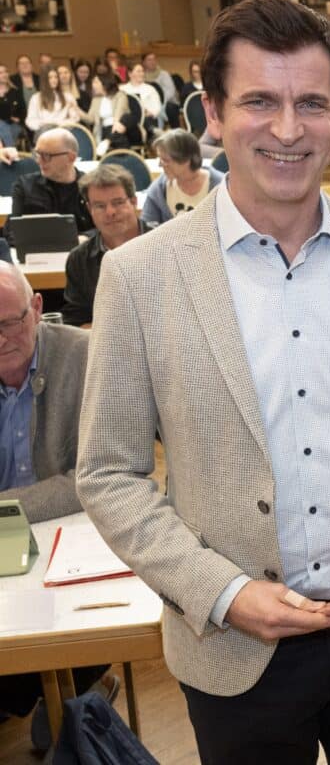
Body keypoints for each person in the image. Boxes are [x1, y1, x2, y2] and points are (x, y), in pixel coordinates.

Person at [75, 0, 330, 764]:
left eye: (311, 105)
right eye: (260, 101)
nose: (289, 130)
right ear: (214, 113)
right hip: (232, 647)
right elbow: (108, 471)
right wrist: (222, 592)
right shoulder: (138, 276)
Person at [0, 262, 119, 754]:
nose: (1, 339)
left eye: (10, 323)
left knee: (53, 732)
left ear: (37, 309)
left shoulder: (87, 356)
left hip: (75, 541)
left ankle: (72, 681)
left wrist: (5, 508)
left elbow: (94, 478)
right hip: (7, 545)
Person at [63, 165, 152, 327]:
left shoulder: (164, 246)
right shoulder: (79, 259)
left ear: (134, 202)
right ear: (90, 209)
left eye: (118, 203)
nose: (110, 212)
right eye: (100, 206)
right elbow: (77, 322)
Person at [8, 127, 94, 238]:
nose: (39, 161)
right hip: (37, 251)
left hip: (82, 251)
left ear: (71, 157)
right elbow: (12, 231)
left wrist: (86, 238)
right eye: (37, 154)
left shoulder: (90, 187)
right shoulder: (25, 186)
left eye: (46, 156)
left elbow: (107, 229)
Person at [141, 129, 225, 225]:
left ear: (186, 160)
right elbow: (146, 227)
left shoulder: (221, 187)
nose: (160, 165)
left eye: (165, 160)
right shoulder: (159, 189)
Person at [81, 72, 139, 154]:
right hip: (107, 130)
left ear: (105, 83)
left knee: (125, 120)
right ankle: (126, 156)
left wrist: (111, 135)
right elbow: (90, 119)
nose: (93, 85)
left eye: (96, 82)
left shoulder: (120, 95)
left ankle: (108, 141)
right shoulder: (96, 100)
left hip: (124, 127)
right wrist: (77, 110)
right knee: (119, 138)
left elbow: (119, 115)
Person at [24, 66, 80, 135]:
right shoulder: (36, 98)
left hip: (63, 132)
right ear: (44, 80)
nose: (54, 80)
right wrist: (45, 124)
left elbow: (75, 118)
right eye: (50, 77)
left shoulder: (68, 97)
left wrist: (59, 124)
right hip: (43, 134)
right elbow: (30, 121)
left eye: (56, 77)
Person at [119, 61, 163, 134]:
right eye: (138, 71)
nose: (142, 74)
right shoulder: (122, 89)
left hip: (147, 118)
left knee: (143, 118)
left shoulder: (150, 89)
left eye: (142, 71)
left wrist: (150, 113)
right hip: (128, 120)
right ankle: (151, 129)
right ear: (130, 74)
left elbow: (157, 107)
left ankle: (151, 130)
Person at [0, 63, 26, 147]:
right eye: (0, 73)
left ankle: (9, 152)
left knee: (7, 128)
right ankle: (11, 152)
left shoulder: (15, 92)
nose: (4, 74)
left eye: (6, 72)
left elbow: (23, 111)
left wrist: (18, 118)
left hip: (14, 125)